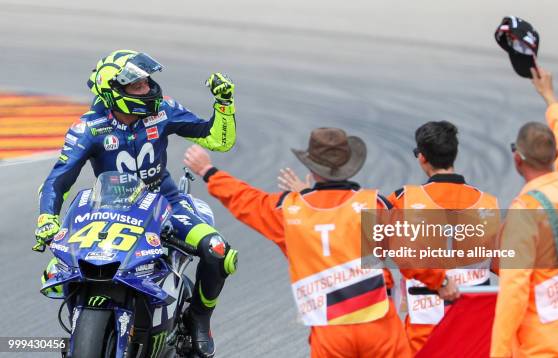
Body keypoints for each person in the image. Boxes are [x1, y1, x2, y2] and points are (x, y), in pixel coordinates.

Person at [184, 127, 459, 357]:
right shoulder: (372, 205)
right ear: (349, 166)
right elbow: (410, 255)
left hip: (329, 330)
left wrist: (209, 171)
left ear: (312, 169)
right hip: (378, 324)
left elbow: (246, 201)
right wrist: (441, 283)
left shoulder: (290, 211)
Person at [33, 49, 238, 357]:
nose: (147, 89)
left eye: (146, 82)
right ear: (112, 89)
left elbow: (217, 140)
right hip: (108, 207)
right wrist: (47, 219)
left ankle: (198, 320)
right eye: (137, 85)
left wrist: (223, 105)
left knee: (218, 252)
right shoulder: (88, 128)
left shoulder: (163, 110)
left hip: (165, 202)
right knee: (69, 263)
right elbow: (57, 180)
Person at [491, 67, 558, 358]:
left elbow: (513, 291)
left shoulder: (524, 213)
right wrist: (551, 98)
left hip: (543, 344)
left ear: (516, 160)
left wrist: (499, 353)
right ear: (554, 157)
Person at [383, 121, 500, 354]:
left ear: (421, 158)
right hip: (473, 322)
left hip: (424, 322)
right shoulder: (488, 203)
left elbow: (372, 258)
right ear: (454, 154)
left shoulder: (400, 201)